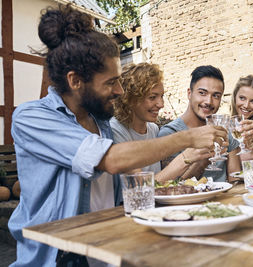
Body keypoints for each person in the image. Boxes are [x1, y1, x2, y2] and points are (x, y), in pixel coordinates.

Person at [8, 5, 227, 267]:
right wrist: (187, 139)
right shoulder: (31, 117)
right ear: (75, 80)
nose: (121, 91)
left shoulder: (100, 122)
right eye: (111, 82)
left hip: (107, 251)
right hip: (57, 258)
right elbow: (109, 159)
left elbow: (136, 182)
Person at [111, 63, 212, 182]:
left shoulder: (153, 129)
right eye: (152, 97)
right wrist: (186, 157)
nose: (161, 104)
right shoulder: (115, 130)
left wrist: (200, 157)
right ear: (131, 98)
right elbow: (142, 186)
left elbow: (167, 183)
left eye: (161, 96)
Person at [158, 65, 241, 182]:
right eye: (202, 93)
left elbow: (235, 180)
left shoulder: (223, 132)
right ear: (189, 94)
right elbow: (171, 187)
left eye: (216, 96)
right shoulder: (170, 133)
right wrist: (204, 159)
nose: (209, 101)